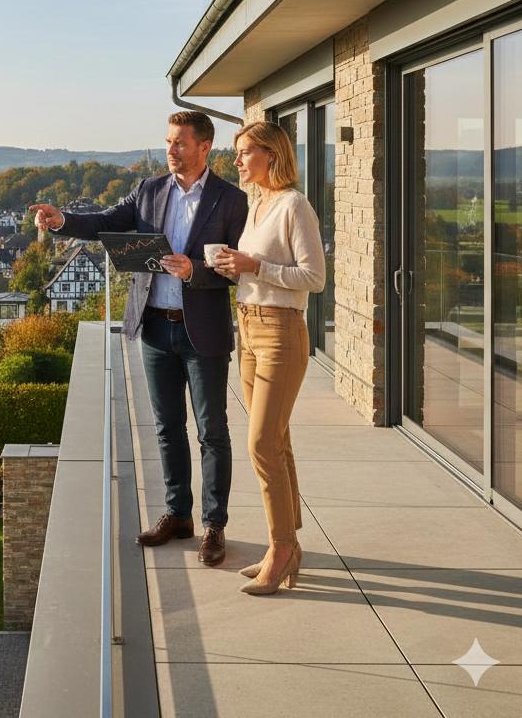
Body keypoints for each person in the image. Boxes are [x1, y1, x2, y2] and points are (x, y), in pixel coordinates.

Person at [30, 111, 248, 565]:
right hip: (154, 327)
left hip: (202, 332)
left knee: (212, 433)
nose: (170, 150)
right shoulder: (149, 191)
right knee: (167, 429)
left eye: (180, 143)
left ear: (205, 147)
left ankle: (214, 526)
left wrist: (198, 271)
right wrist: (60, 221)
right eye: (168, 141)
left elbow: (239, 269)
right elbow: (105, 221)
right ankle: (177, 514)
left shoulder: (230, 200)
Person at [213, 121, 325, 595]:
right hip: (249, 330)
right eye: (236, 153)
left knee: (261, 444)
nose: (236, 160)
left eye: (244, 152)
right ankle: (286, 546)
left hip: (281, 332)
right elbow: (255, 272)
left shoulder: (294, 206)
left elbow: (314, 278)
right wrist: (230, 268)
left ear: (270, 155)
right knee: (276, 442)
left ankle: (280, 550)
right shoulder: (257, 206)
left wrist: (254, 265)